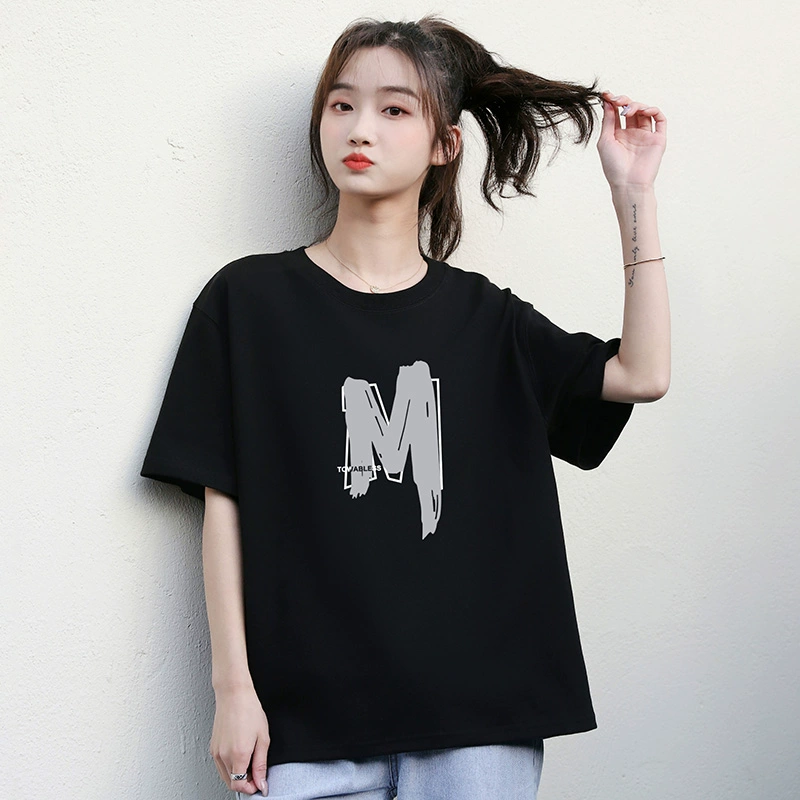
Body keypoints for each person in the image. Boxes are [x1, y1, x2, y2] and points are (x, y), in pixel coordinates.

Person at [140, 13, 669, 800]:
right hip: (304, 729)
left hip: (478, 727)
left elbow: (641, 373)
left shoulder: (487, 321)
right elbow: (225, 502)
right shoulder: (247, 303)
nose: (360, 128)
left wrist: (633, 194)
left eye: (394, 109)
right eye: (341, 104)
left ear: (444, 144)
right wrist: (233, 689)